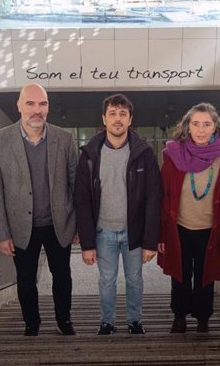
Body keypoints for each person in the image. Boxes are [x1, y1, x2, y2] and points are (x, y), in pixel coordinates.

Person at [0, 83, 78, 336]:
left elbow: (75, 185)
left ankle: (64, 319)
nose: (37, 110)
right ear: (19, 106)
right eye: (30, 103)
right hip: (19, 228)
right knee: (26, 280)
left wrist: (77, 225)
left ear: (48, 107)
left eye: (42, 104)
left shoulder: (65, 139)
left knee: (62, 276)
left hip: (59, 224)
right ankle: (32, 323)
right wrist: (1, 233)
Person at [75, 94, 162, 335]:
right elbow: (81, 201)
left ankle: (135, 320)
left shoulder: (144, 153)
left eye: (123, 114)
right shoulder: (90, 155)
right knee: (106, 281)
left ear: (130, 119)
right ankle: (107, 322)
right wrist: (87, 243)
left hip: (134, 232)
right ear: (104, 118)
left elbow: (154, 198)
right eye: (112, 113)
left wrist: (150, 242)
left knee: (135, 280)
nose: (117, 119)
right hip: (103, 233)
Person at [157, 102, 220, 334]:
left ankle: (203, 318)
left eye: (206, 124)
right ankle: (180, 316)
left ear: (215, 128)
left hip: (210, 232)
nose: (201, 129)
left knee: (206, 279)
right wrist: (161, 234)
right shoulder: (173, 155)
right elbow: (164, 197)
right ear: (187, 128)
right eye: (196, 124)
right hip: (179, 229)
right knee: (180, 276)